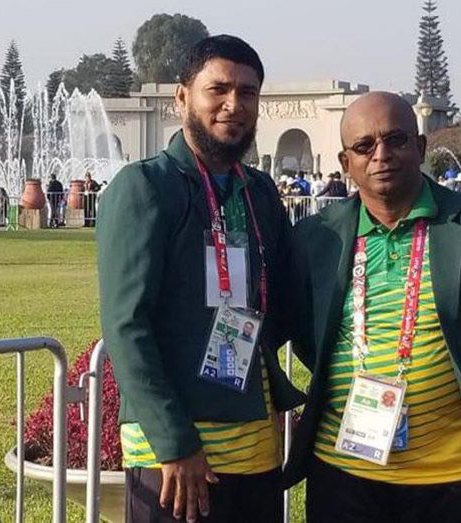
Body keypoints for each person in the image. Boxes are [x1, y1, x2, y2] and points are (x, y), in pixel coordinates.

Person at [284, 92, 461, 522]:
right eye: (364, 146)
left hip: (455, 479)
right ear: (346, 162)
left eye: (396, 139)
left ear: (421, 147)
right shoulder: (316, 237)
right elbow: (306, 335)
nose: (381, 155)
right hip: (343, 475)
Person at [97, 35, 305, 523]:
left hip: (253, 443)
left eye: (248, 93)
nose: (234, 105)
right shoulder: (145, 187)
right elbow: (126, 326)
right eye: (219, 90)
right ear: (182, 97)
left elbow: (277, 302)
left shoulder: (259, 192)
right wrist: (174, 443)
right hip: (173, 455)